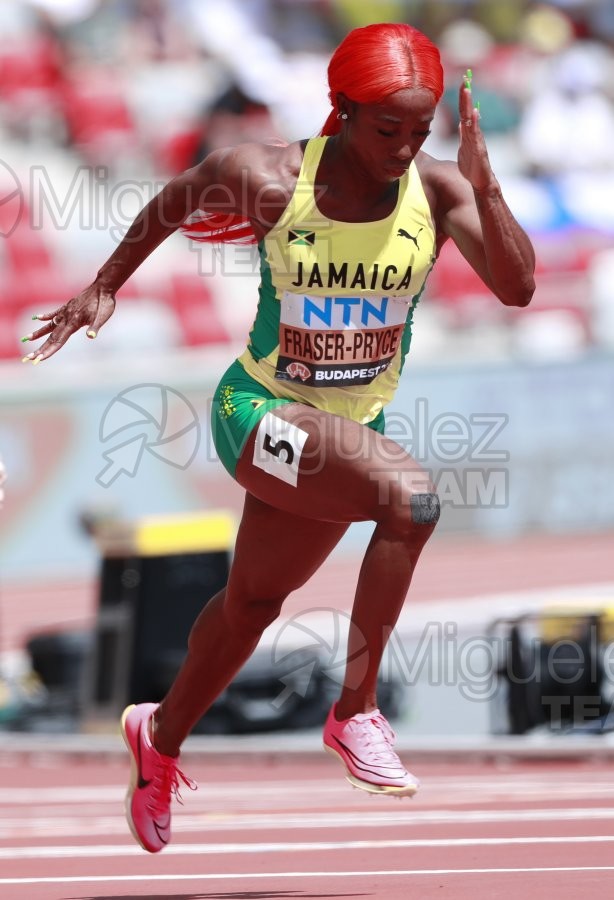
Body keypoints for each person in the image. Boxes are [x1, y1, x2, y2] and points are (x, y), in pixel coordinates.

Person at [21, 23, 535, 853]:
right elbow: (174, 200)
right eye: (385, 130)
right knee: (412, 502)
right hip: (257, 412)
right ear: (341, 110)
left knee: (253, 605)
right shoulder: (264, 177)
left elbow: (516, 288)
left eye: (420, 132)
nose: (404, 149)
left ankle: (161, 737)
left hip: (347, 427)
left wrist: (488, 185)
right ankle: (355, 711)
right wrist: (103, 288)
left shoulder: (437, 190)